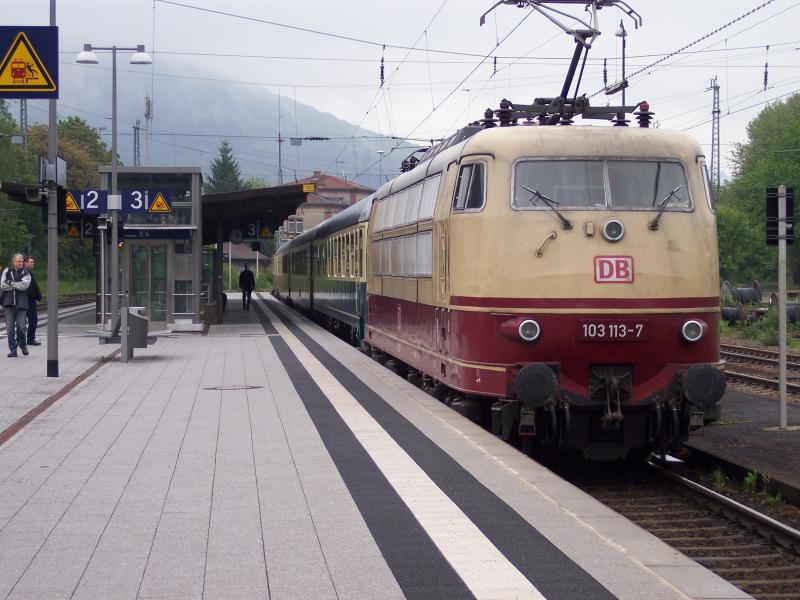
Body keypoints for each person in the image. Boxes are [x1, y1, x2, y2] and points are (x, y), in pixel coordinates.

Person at [1, 253, 31, 357]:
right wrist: (15, 286)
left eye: (21, 261)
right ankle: (13, 350)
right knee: (9, 328)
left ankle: (23, 345)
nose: (20, 263)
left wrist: (11, 283)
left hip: (21, 304)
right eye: (18, 261)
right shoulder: (7, 271)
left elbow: (24, 286)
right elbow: (2, 285)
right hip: (9, 304)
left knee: (21, 327)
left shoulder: (26, 272)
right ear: (13, 262)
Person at [24, 256, 42, 346]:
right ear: (25, 263)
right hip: (29, 300)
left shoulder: (28, 273)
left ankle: (21, 338)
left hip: (27, 300)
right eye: (31, 262)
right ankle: (30, 339)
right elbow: (31, 288)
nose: (33, 264)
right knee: (33, 320)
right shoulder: (26, 273)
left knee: (24, 320)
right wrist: (36, 296)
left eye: (33, 262)